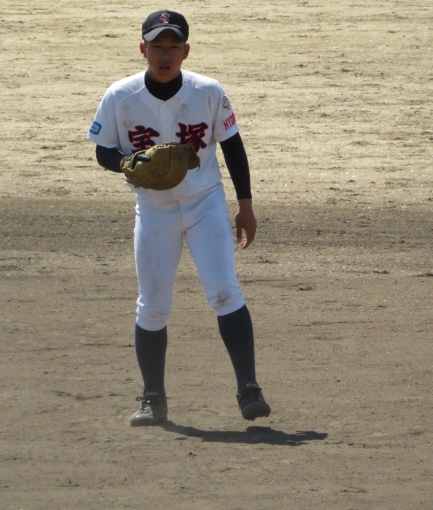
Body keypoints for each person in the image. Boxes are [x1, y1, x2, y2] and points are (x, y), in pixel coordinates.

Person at [86, 10, 271, 426]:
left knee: (225, 292)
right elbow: (103, 149)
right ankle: (152, 399)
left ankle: (249, 389)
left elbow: (233, 146)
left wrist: (245, 205)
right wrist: (124, 164)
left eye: (173, 46)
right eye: (157, 46)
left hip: (205, 205)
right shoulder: (121, 95)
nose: (164, 55)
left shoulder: (208, 91)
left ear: (186, 51)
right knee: (153, 305)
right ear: (143, 49)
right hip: (154, 211)